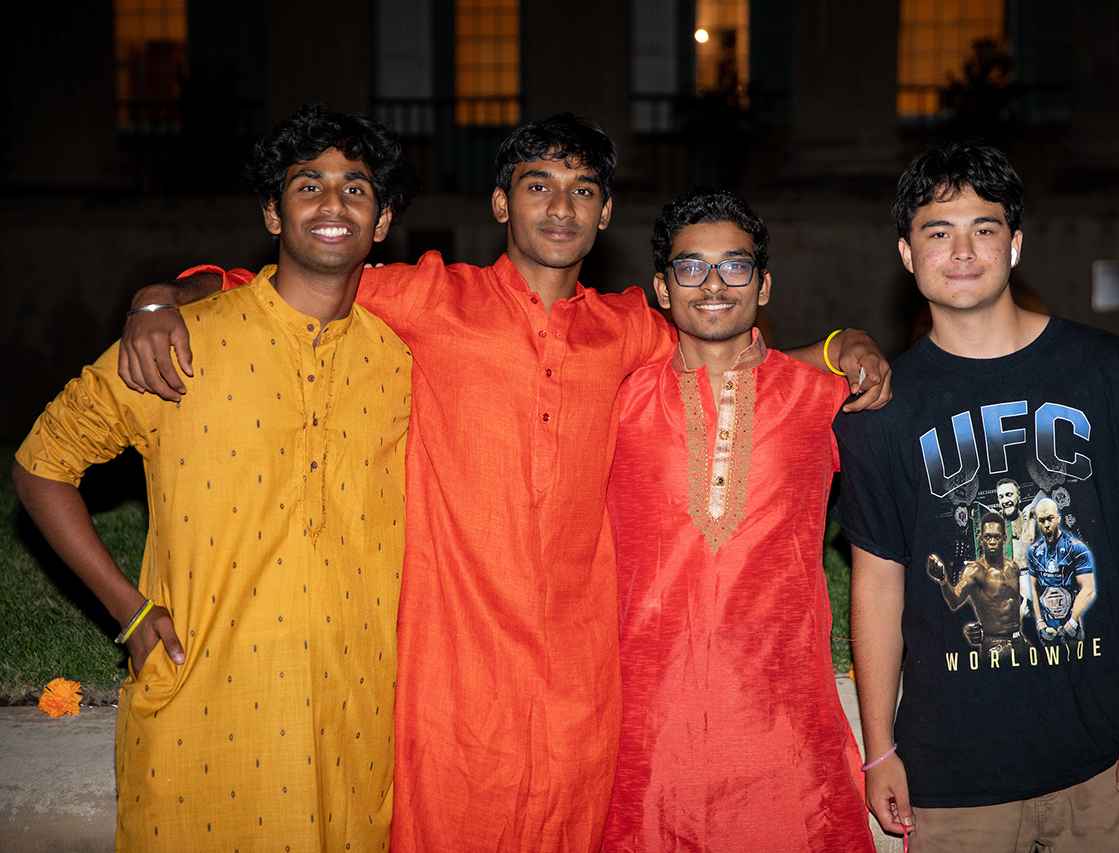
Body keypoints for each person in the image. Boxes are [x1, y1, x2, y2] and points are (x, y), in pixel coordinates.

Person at [115, 114, 892, 851]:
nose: (561, 205)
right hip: (452, 671)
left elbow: (724, 340)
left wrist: (835, 347)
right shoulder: (428, 296)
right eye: (538, 184)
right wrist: (167, 293)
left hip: (581, 684)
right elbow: (284, 283)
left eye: (583, 189)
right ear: (499, 202)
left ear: (605, 211)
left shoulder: (628, 326)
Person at [13, 103, 417, 851]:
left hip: (350, 738)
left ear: (383, 222)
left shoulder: (401, 365)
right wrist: (128, 612)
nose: (333, 203)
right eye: (308, 185)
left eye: (356, 189)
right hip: (197, 729)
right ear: (271, 212)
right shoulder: (180, 340)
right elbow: (42, 464)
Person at [834, 141, 1119, 852]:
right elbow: (879, 581)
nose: (961, 250)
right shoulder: (878, 410)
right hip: (952, 780)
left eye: (983, 228)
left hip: (1112, 764)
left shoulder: (1106, 371)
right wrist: (879, 747)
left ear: (1015, 243)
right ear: (905, 252)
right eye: (936, 231)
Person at [603, 188, 876, 852]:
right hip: (645, 745)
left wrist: (848, 344)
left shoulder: (826, 398)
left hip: (785, 740)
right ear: (662, 289)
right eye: (691, 268)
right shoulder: (616, 401)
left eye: (736, 265)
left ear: (764, 283)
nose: (715, 283)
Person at [926, 511, 1026, 663]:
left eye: (996, 537)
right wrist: (943, 579)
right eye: (988, 537)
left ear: (1004, 539)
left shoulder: (1013, 568)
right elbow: (954, 600)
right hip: (995, 644)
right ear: (981, 540)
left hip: (1019, 640)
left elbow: (1014, 601)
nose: (992, 541)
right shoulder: (975, 571)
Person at [1026, 496, 1097, 642]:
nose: (1046, 524)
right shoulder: (1033, 552)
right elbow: (1033, 589)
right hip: (1047, 628)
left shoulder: (1076, 548)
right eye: (1042, 520)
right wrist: (1040, 623)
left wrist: (1071, 623)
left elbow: (1089, 589)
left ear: (1058, 518)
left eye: (1050, 518)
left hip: (1071, 627)